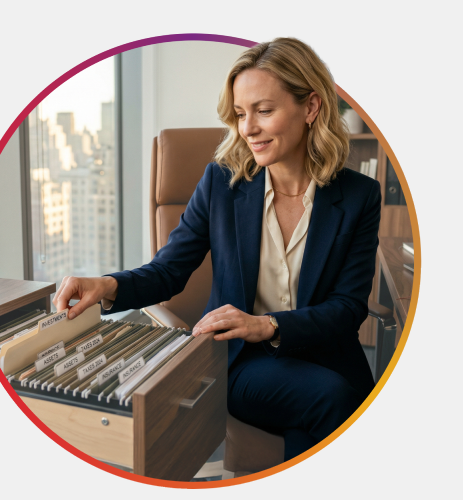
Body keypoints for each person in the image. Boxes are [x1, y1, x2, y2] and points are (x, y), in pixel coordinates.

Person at [53, 37, 380, 461]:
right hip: (244, 363)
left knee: (321, 407)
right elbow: (167, 272)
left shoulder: (359, 196)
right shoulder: (221, 184)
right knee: (331, 400)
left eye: (264, 111)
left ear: (311, 107)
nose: (248, 129)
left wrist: (269, 324)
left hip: (326, 355)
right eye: (241, 115)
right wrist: (107, 285)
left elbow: (348, 307)